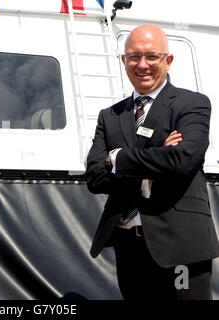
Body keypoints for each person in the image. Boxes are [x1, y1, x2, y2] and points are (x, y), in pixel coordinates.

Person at [86, 24, 219, 300]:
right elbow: (96, 177)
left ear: (167, 61)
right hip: (129, 247)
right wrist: (160, 154)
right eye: (134, 56)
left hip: (181, 245)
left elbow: (182, 160)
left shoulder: (192, 104)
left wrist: (119, 158)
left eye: (151, 56)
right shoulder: (109, 116)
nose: (142, 64)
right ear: (123, 61)